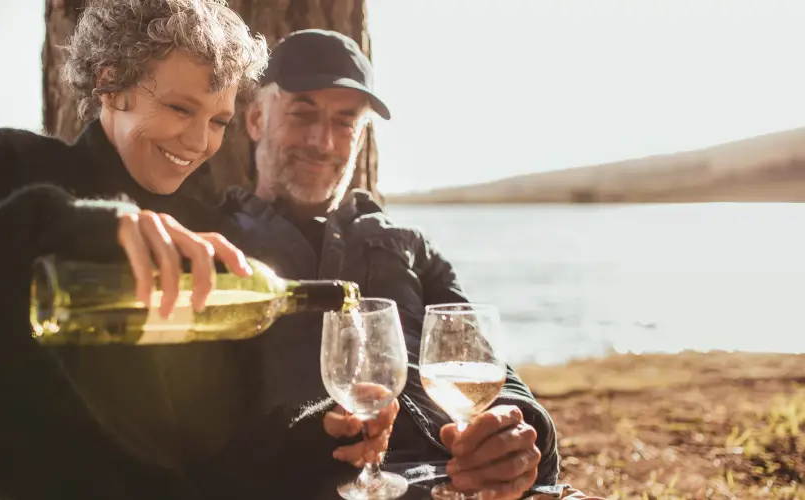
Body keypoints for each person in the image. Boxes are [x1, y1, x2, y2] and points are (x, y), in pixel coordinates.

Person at [0, 2, 391, 499]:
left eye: (217, 120)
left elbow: (211, 456)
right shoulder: (16, 169)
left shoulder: (211, 240)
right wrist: (64, 229)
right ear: (110, 82)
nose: (198, 142)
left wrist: (319, 440)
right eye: (180, 109)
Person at [222, 29, 570, 499]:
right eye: (303, 114)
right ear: (257, 118)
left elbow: (490, 370)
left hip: (459, 481)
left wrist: (514, 436)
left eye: (345, 122)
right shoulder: (216, 241)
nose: (324, 142)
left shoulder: (408, 246)